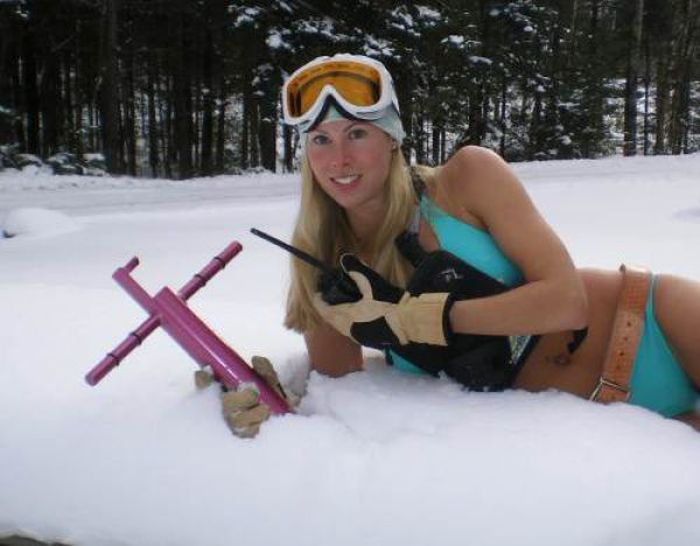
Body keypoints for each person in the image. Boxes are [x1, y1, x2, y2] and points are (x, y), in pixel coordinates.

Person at [219, 53, 700, 438]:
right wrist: (271, 399)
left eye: (357, 133)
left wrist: (430, 318)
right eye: (320, 139)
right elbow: (342, 391)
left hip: (656, 325)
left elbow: (567, 302)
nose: (339, 157)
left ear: (392, 138)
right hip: (599, 429)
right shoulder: (328, 269)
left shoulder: (466, 179)